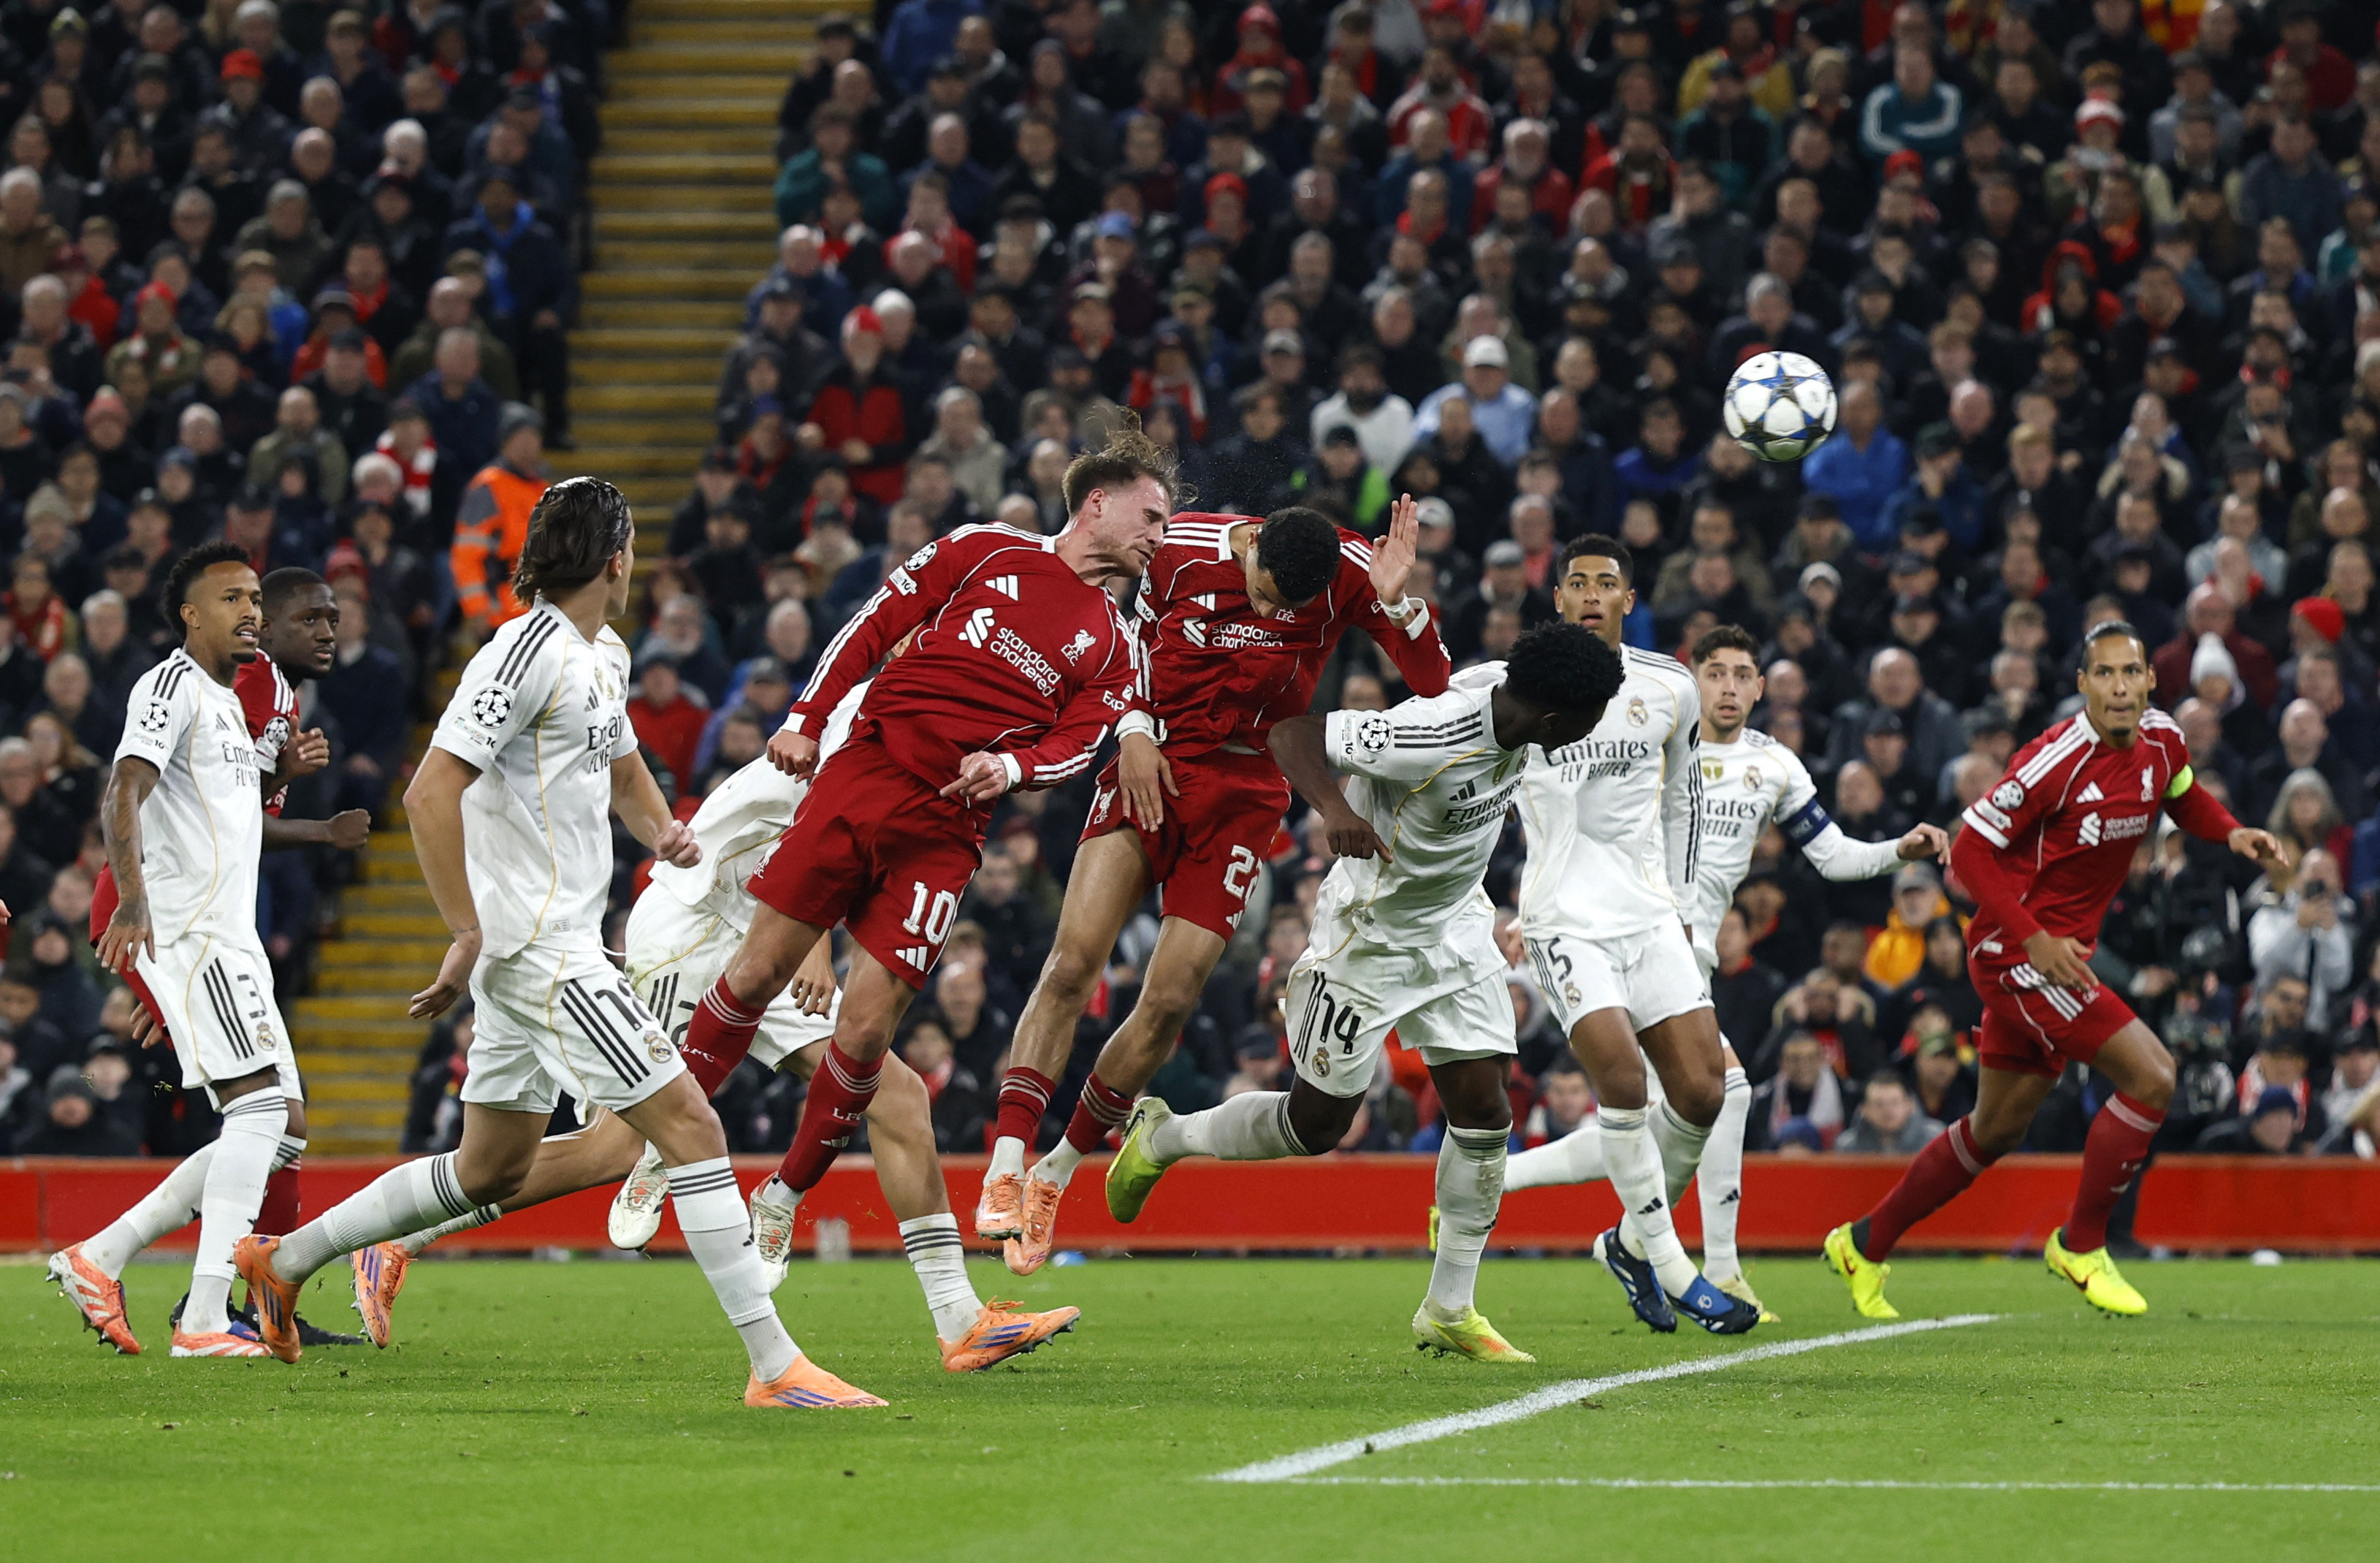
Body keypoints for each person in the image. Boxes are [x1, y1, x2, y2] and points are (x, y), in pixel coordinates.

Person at [234, 479, 871, 1410]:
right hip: (538, 951)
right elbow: (428, 792)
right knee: (690, 1126)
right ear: (615, 557)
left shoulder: (599, 653)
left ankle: (280, 1263)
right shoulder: (523, 650)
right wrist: (464, 928)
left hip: (552, 944)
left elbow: (618, 763)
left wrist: (665, 832)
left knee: (490, 1166)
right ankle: (777, 1369)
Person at [343, 673, 1080, 1374]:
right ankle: (396, 1239)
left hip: (766, 933)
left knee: (897, 1096)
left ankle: (960, 1322)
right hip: (695, 930)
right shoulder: (875, 706)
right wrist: (821, 945)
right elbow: (819, 834)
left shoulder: (952, 732)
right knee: (614, 1148)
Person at [668, 432, 1169, 1264]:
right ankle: (664, 1149)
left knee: (864, 1035)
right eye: (1150, 515)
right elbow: (878, 620)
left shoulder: (1117, 642)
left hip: (947, 829)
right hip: (867, 770)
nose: (1159, 533)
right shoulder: (983, 548)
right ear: (1096, 504)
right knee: (755, 974)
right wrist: (803, 716)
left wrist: (1008, 765)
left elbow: (1081, 745)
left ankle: (784, 1192)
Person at [1105, 621, 1624, 1361]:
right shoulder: (1430, 730)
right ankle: (1165, 1136)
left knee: (1484, 1109)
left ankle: (1450, 1306)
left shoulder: (1516, 706)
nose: (1591, 729)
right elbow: (1293, 735)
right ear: (1550, 719)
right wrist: (1336, 809)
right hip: (1370, 937)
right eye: (1589, 718)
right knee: (1317, 1125)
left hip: (1455, 931)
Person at [980, 495, 1449, 1273]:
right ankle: (1003, 1164)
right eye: (1262, 590)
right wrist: (1130, 729)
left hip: (1244, 795)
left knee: (1168, 1002)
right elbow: (1118, 640)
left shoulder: (1353, 573)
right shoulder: (1178, 549)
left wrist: (1401, 605)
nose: (1269, 608)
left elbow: (1436, 689)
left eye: (1286, 608)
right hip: (1150, 766)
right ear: (1253, 539)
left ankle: (1056, 1174)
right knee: (1071, 965)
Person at [1824, 621, 2284, 1320]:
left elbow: (2183, 793)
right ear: (2082, 684)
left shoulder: (2163, 740)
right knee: (2154, 1076)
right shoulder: (2054, 759)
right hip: (2016, 952)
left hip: (2059, 955)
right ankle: (2082, 1243)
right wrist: (2034, 937)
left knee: (1994, 1131)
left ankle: (1863, 1241)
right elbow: (1972, 851)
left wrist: (2230, 830)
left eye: (2131, 672)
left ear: (2150, 680)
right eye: (2104, 674)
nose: (2120, 687)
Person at [1501, 625, 1947, 1320]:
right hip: (1622, 935)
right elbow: (1565, 816)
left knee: (1675, 1112)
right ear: (1692, 681)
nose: (1729, 687)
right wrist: (1526, 905)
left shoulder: (1775, 766)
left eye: (1744, 675)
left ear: (1761, 687)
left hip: (1691, 955)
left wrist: (1900, 849)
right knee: (1721, 1093)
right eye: (1716, 674)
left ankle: (1548, 1204)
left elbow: (1831, 855)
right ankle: (1708, 1264)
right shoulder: (1639, 736)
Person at [54, 568, 370, 1351]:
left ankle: (102, 1256)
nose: (251, 613)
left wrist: (295, 796)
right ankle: (202, 1318)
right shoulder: (172, 687)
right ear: (190, 614)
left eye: (257, 600)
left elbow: (227, 822)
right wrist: (133, 902)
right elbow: (121, 790)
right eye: (236, 599)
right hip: (187, 929)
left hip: (229, 938)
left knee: (283, 1129)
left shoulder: (234, 707)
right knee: (259, 1111)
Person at [1509, 536, 1757, 1335]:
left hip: (1648, 914)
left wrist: (1682, 906)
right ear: (1557, 600)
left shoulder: (1669, 687)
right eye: (1575, 582)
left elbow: (1684, 797)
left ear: (1628, 597)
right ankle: (1673, 1263)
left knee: (1703, 1092)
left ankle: (1625, 1243)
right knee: (1620, 1083)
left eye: (1604, 584)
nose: (1589, 594)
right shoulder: (1515, 687)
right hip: (1563, 919)